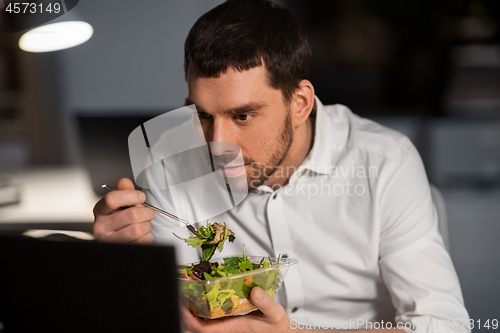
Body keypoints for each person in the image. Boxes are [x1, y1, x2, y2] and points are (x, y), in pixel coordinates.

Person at [93, 1, 470, 332]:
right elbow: (163, 314)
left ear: (300, 103)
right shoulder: (167, 164)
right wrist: (124, 268)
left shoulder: (384, 162)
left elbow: (445, 324)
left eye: (242, 116)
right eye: (202, 115)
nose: (215, 145)